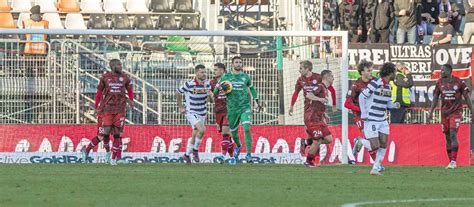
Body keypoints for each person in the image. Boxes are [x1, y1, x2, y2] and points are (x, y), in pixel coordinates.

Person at [82, 59, 134, 165]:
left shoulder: (125, 77)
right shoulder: (105, 77)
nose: (121, 66)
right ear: (113, 66)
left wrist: (131, 100)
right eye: (119, 65)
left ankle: (115, 159)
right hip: (106, 110)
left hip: (120, 110)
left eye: (121, 64)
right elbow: (99, 93)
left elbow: (129, 89)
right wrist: (96, 107)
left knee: (117, 135)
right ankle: (88, 151)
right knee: (103, 135)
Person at [214, 56, 263, 163]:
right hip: (232, 109)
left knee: (246, 128)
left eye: (240, 62)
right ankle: (239, 145)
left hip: (244, 107)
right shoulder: (226, 77)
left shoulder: (246, 77)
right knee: (234, 134)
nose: (238, 64)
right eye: (236, 62)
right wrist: (221, 88)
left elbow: (252, 88)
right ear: (232, 64)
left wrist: (256, 100)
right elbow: (215, 90)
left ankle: (249, 155)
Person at [357, 62, 400, 175]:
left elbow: (388, 103)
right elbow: (362, 96)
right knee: (375, 145)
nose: (396, 74)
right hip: (371, 118)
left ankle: (375, 168)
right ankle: (360, 141)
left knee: (384, 143)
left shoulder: (389, 86)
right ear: (390, 72)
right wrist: (364, 113)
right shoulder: (375, 83)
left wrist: (394, 105)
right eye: (394, 72)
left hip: (382, 119)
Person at [428, 64, 473, 169]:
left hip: (456, 112)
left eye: (443, 70)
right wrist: (431, 111)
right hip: (444, 113)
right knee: (447, 137)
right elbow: (435, 97)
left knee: (453, 134)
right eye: (441, 70)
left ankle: (453, 161)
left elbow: (467, 97)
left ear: (449, 71)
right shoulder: (439, 82)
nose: (441, 72)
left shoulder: (459, 82)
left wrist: (472, 110)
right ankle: (450, 161)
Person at [289, 60, 337, 156]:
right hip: (308, 110)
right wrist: (292, 106)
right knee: (313, 133)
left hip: (318, 110)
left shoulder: (318, 77)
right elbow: (296, 93)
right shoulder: (300, 80)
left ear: (307, 69)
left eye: (301, 68)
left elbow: (331, 89)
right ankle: (312, 157)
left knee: (320, 136)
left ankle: (307, 144)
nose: (299, 70)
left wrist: (333, 105)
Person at [176, 64, 212, 164]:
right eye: (202, 72)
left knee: (195, 134)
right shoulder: (189, 84)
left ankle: (187, 155)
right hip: (191, 112)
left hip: (202, 112)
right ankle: (195, 150)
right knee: (202, 130)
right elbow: (178, 92)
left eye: (205, 72)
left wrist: (210, 96)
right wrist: (181, 107)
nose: (204, 74)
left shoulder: (207, 84)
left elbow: (210, 100)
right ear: (196, 73)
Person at [344, 60, 377, 162]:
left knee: (374, 140)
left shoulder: (375, 82)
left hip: (374, 115)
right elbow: (347, 104)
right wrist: (362, 110)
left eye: (371, 70)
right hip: (360, 115)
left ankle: (360, 141)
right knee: (370, 139)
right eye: (368, 70)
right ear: (362, 72)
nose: (371, 72)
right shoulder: (356, 85)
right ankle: (377, 164)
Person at [303, 70, 334, 167]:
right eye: (332, 76)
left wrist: (324, 114)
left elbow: (318, 105)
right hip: (312, 118)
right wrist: (320, 99)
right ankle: (308, 161)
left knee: (329, 139)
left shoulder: (325, 89)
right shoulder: (319, 87)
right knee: (318, 140)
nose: (333, 78)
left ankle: (307, 142)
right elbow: (309, 95)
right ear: (327, 77)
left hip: (319, 118)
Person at [210, 63, 236, 165]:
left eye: (216, 70)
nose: (214, 71)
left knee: (225, 132)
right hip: (218, 111)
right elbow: (211, 98)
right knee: (227, 136)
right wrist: (209, 95)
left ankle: (222, 155)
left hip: (229, 110)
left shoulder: (230, 80)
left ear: (222, 70)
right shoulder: (212, 82)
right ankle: (232, 157)